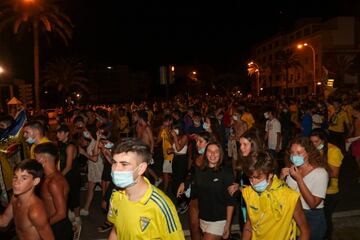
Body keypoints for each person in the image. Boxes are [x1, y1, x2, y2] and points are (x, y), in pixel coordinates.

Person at [107, 138, 184, 239]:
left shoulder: (161, 205)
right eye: (114, 162)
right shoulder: (116, 195)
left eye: (124, 164)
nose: (116, 169)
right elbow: (116, 231)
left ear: (141, 168)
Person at [242, 152, 310, 240]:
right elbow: (249, 223)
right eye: (250, 178)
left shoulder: (290, 196)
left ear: (270, 175)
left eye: (258, 178)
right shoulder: (249, 192)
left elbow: (305, 231)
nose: (253, 182)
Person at [177, 141, 235, 240]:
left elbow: (230, 202)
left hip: (219, 220)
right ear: (205, 153)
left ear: (220, 154)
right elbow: (195, 189)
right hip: (203, 218)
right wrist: (185, 184)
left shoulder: (226, 173)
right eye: (210, 151)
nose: (213, 154)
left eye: (216, 151)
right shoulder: (200, 171)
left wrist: (228, 224)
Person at [281, 136, 328, 240]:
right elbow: (284, 193)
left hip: (312, 217)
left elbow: (313, 203)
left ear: (309, 153)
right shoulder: (292, 169)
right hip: (293, 214)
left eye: (299, 153)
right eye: (292, 153)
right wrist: (281, 179)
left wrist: (299, 180)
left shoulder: (320, 173)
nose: (294, 156)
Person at [0, 160, 55, 240]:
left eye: (24, 178)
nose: (16, 182)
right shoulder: (15, 198)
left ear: (35, 181)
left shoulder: (35, 211)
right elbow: (4, 221)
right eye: (15, 177)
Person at [34, 143, 73, 240]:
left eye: (36, 157)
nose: (34, 161)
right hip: (51, 225)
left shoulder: (54, 182)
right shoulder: (46, 178)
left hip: (58, 228)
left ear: (42, 159)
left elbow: (61, 214)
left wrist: (40, 227)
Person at [310, 129, 343, 239]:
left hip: (329, 192)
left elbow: (334, 173)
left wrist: (317, 164)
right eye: (312, 142)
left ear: (323, 140)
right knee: (317, 220)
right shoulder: (315, 150)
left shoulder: (333, 151)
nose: (314, 145)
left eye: (316, 142)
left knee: (325, 219)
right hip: (316, 190)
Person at [56, 124, 82, 237]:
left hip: (72, 176)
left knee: (74, 197)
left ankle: (78, 220)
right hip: (66, 175)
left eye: (60, 132)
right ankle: (72, 218)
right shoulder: (62, 144)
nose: (57, 135)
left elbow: (69, 166)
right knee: (67, 197)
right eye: (57, 133)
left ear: (67, 134)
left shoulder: (70, 146)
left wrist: (58, 176)